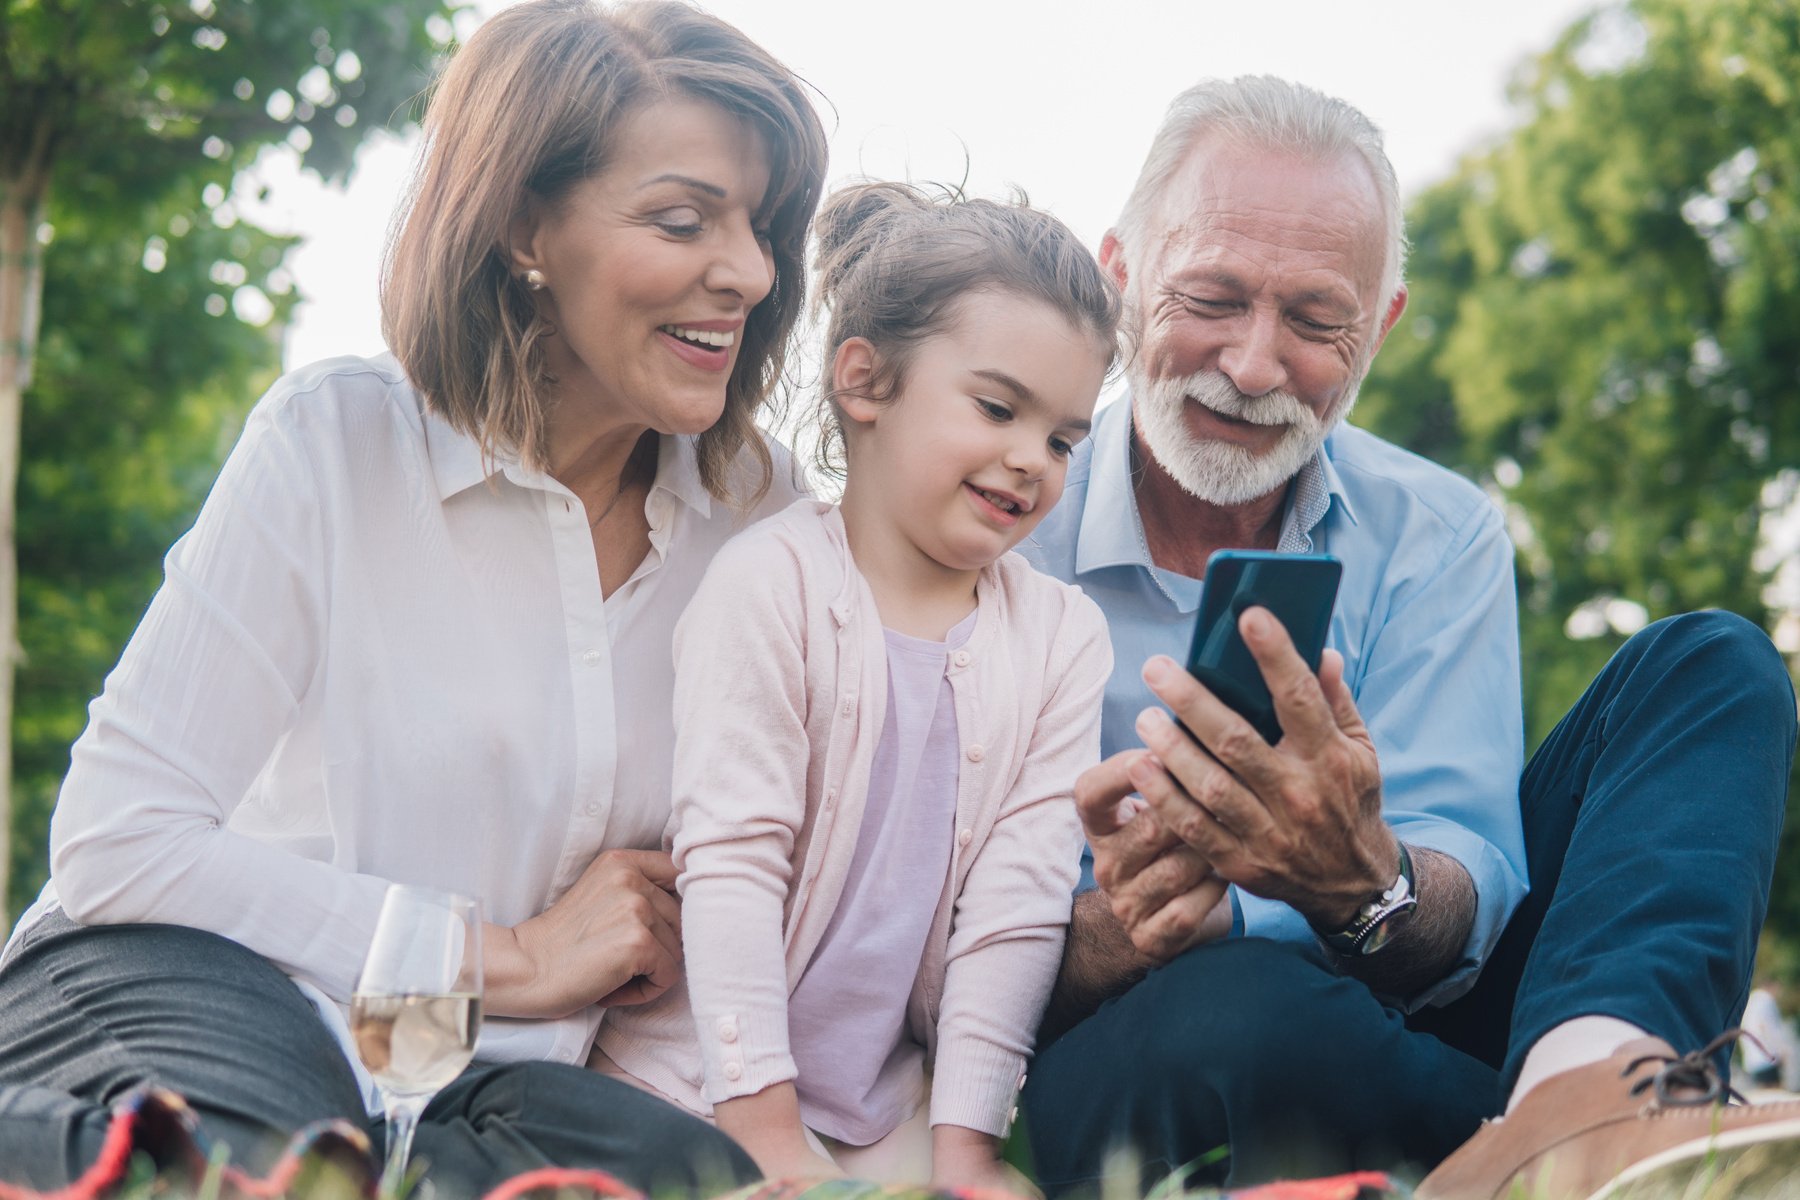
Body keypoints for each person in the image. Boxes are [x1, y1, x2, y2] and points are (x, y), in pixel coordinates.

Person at [0, 2, 829, 1194]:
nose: (749, 271)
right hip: (204, 981)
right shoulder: (338, 440)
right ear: (521, 224)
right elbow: (120, 839)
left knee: (690, 1180)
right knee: (255, 1165)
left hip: (469, 1073)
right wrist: (508, 956)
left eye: (763, 226)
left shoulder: (760, 516)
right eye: (685, 218)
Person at [1014, 75, 1800, 1199]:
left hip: (1414, 1026)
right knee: (1244, 1003)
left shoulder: (1438, 529)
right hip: (1164, 1037)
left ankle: (1590, 1103)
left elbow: (1466, 901)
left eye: (1316, 320)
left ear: (1378, 328)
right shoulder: (998, 516)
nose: (1252, 364)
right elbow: (895, 955)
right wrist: (1123, 928)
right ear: (1122, 277)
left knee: (1712, 665)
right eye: (1214, 296)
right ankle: (1543, 1159)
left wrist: (1360, 880)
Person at [593, 183, 1120, 1192]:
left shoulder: (1063, 638)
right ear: (865, 382)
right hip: (693, 1089)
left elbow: (1014, 909)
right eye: (998, 408)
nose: (1030, 461)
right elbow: (734, 865)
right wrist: (767, 1137)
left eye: (1061, 440)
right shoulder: (768, 584)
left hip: (887, 1111)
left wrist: (965, 1149)